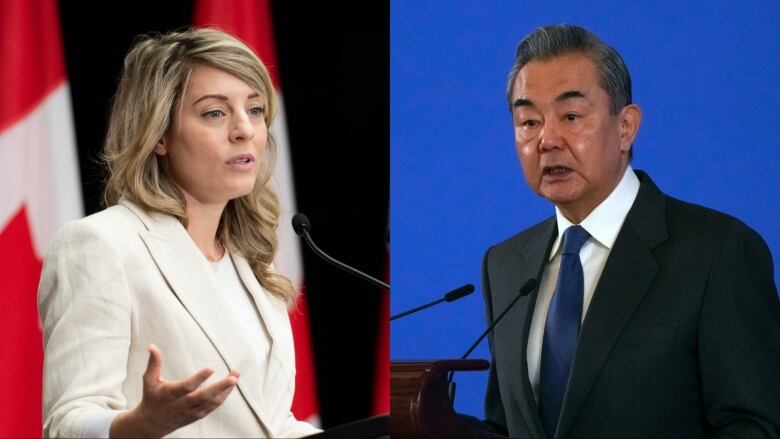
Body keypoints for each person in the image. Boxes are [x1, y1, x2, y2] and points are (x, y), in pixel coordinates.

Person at [478, 24, 780, 437]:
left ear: (626, 127)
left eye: (570, 116)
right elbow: (503, 425)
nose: (547, 140)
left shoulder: (719, 252)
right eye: (529, 121)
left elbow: (755, 425)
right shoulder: (506, 265)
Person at [37, 28, 320, 438]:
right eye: (215, 113)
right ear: (160, 135)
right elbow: (66, 424)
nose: (245, 130)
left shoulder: (252, 259)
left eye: (256, 110)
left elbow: (268, 424)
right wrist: (140, 425)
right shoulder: (102, 244)